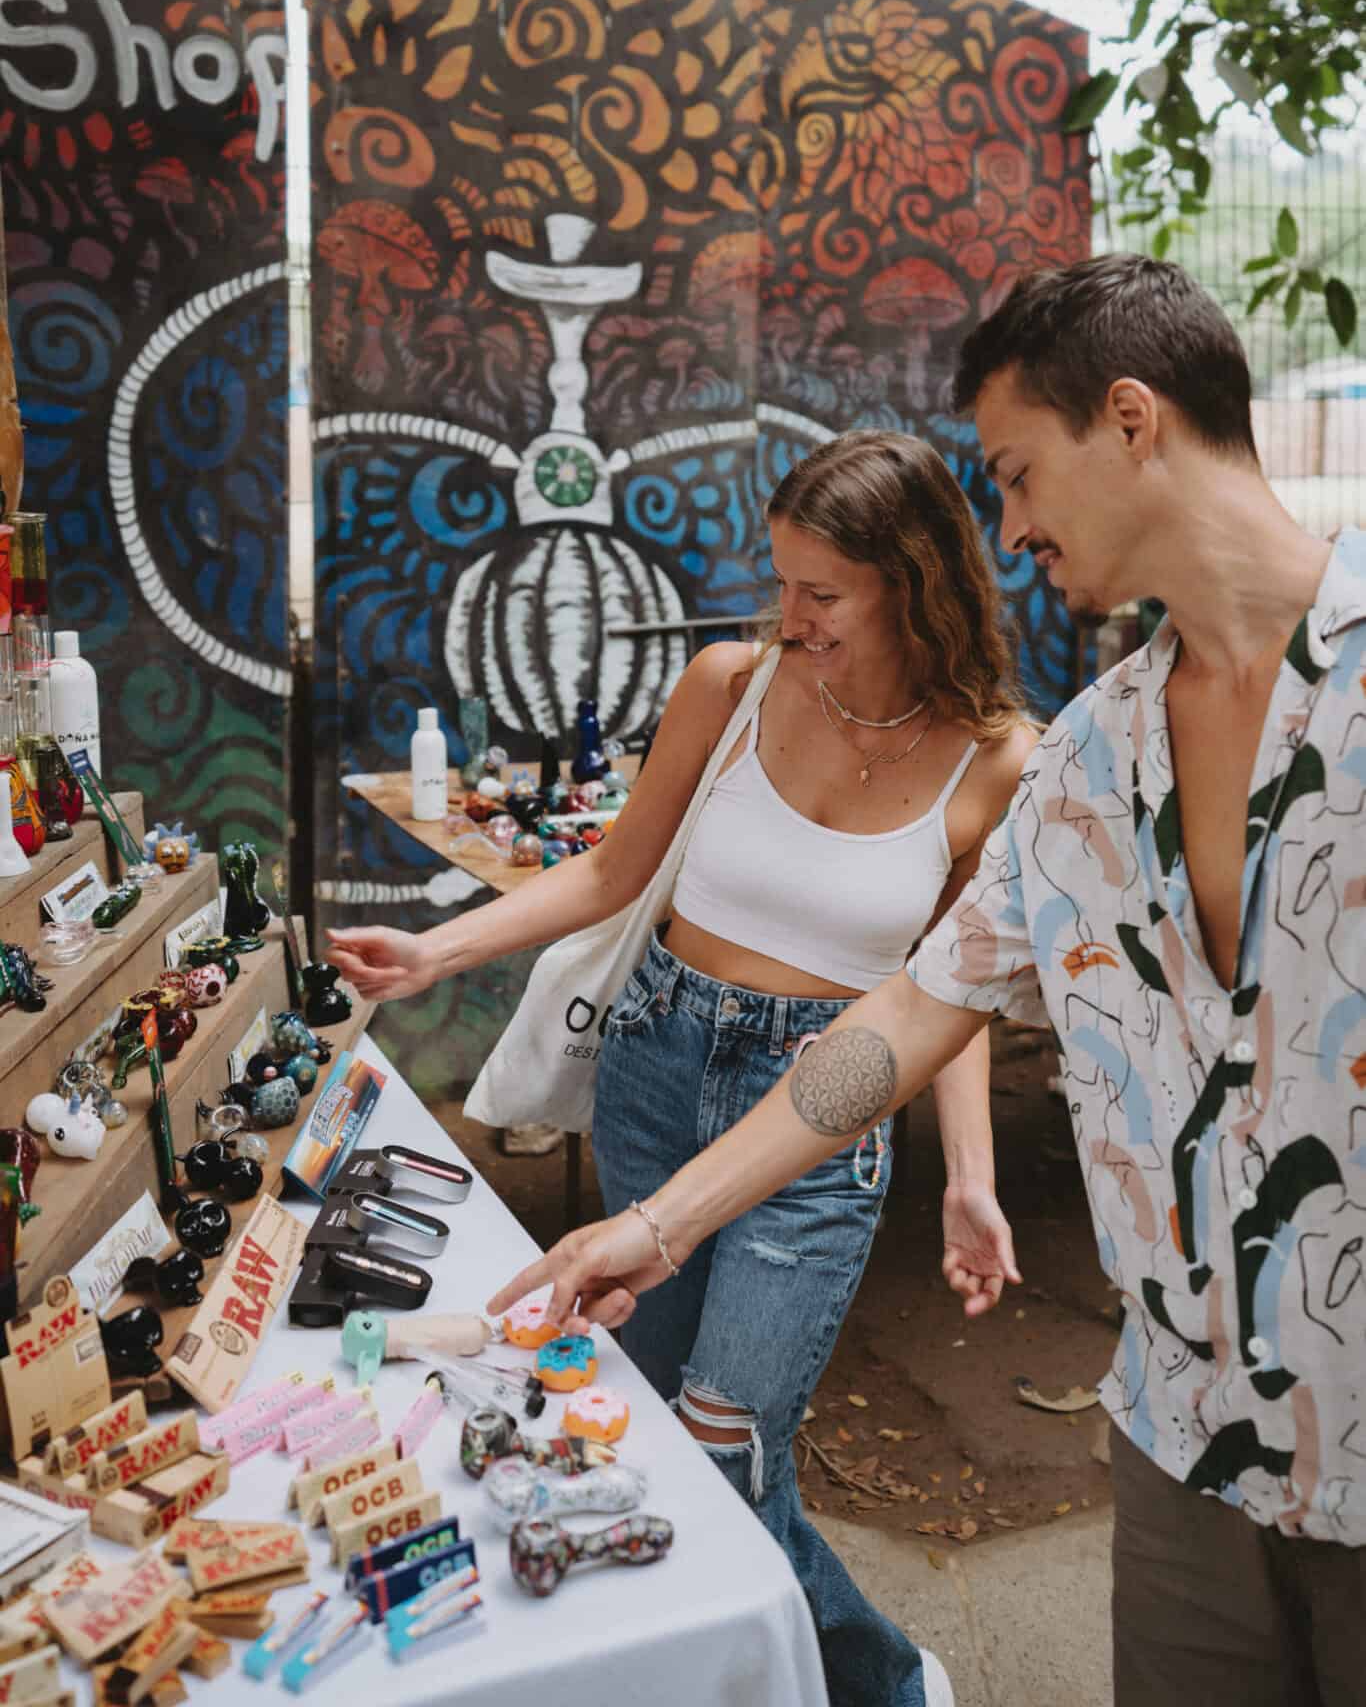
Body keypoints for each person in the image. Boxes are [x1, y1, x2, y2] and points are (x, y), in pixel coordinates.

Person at [490, 254, 1366, 1707]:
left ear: (1132, 422)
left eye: (1018, 473)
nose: (1008, 526)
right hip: (1182, 1448)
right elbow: (903, 1015)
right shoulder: (1089, 761)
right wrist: (659, 1221)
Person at [329, 428, 1036, 1707]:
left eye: (821, 591)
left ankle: (873, 1683)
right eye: (782, 581)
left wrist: (968, 1181)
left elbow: (953, 994)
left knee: (727, 1453)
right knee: (641, 1430)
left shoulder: (997, 761)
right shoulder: (730, 683)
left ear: (913, 580)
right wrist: (436, 952)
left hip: (821, 1125)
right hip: (658, 1066)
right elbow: (608, 868)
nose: (790, 614)